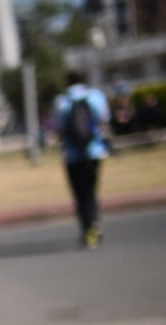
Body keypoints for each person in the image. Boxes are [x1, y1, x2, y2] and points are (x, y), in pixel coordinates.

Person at [54, 71, 112, 251]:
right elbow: (104, 120)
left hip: (72, 155)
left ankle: (88, 230)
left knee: (80, 195)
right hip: (94, 152)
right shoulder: (95, 96)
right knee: (91, 191)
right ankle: (95, 225)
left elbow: (59, 128)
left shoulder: (61, 101)